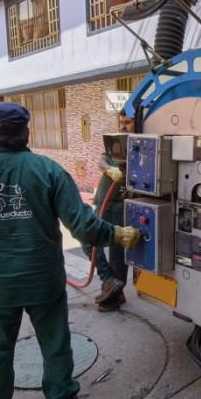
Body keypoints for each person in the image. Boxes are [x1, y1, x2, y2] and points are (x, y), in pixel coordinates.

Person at [0, 102, 140, 399]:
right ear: (26, 133)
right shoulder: (48, 170)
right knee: (55, 344)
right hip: (42, 281)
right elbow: (82, 224)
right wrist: (115, 235)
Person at [80, 110, 134, 312]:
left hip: (122, 207)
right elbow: (102, 161)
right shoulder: (115, 142)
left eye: (128, 122)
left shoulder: (141, 147)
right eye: (121, 121)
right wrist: (110, 170)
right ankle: (108, 279)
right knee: (87, 239)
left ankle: (116, 294)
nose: (123, 125)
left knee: (118, 254)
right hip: (103, 203)